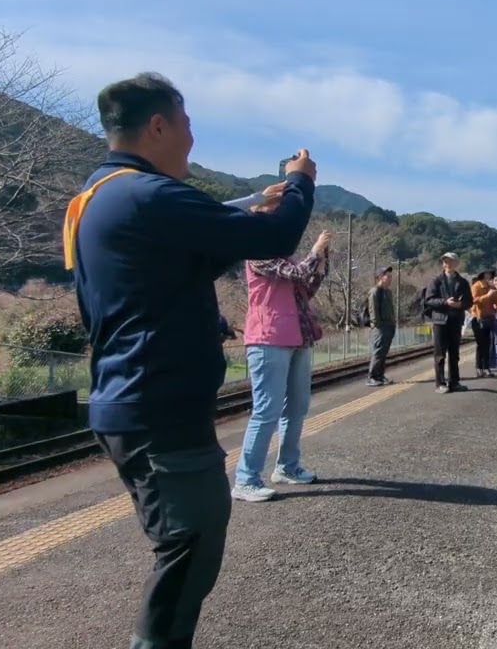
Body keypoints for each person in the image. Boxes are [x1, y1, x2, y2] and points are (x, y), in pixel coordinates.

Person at [64, 72, 316, 649]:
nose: (191, 140)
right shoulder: (148, 196)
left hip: (131, 399)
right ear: (158, 125)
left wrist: (249, 216)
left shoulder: (99, 199)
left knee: (181, 545)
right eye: (187, 125)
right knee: (190, 548)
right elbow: (278, 237)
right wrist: (299, 183)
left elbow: (177, 268)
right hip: (160, 406)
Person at [231, 226, 331, 502]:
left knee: (298, 406)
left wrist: (319, 264)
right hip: (269, 338)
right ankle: (246, 479)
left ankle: (287, 466)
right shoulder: (259, 254)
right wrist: (315, 251)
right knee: (267, 410)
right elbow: (298, 273)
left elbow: (304, 290)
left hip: (298, 337)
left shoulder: (284, 260)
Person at [422, 252, 472, 393]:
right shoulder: (436, 281)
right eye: (445, 261)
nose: (447, 264)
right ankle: (440, 383)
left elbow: (469, 301)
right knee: (440, 354)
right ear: (443, 264)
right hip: (440, 321)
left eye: (450, 261)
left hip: (456, 320)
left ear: (456, 263)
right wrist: (445, 302)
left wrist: (460, 304)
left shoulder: (462, 282)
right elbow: (429, 299)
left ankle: (454, 382)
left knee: (454, 353)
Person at [470, 270, 497, 377]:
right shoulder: (476, 286)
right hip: (478, 318)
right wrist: (487, 295)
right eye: (486, 274)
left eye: (490, 274)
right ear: (482, 274)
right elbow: (473, 301)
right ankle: (479, 367)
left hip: (489, 318)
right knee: (481, 344)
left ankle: (486, 367)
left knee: (487, 344)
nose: (489, 276)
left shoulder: (491, 286)